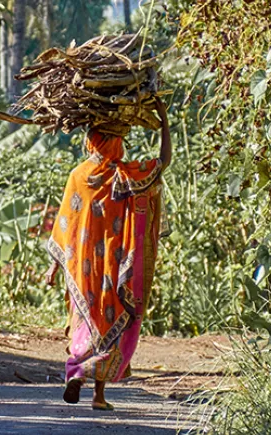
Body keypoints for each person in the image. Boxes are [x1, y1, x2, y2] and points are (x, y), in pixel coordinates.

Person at [44, 101, 172, 411]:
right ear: (115, 143)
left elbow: (65, 224)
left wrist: (53, 265)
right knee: (109, 329)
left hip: (81, 270)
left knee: (84, 324)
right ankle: (97, 394)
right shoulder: (126, 176)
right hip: (115, 271)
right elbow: (163, 162)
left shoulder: (78, 175)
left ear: (92, 141)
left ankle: (77, 373)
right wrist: (164, 120)